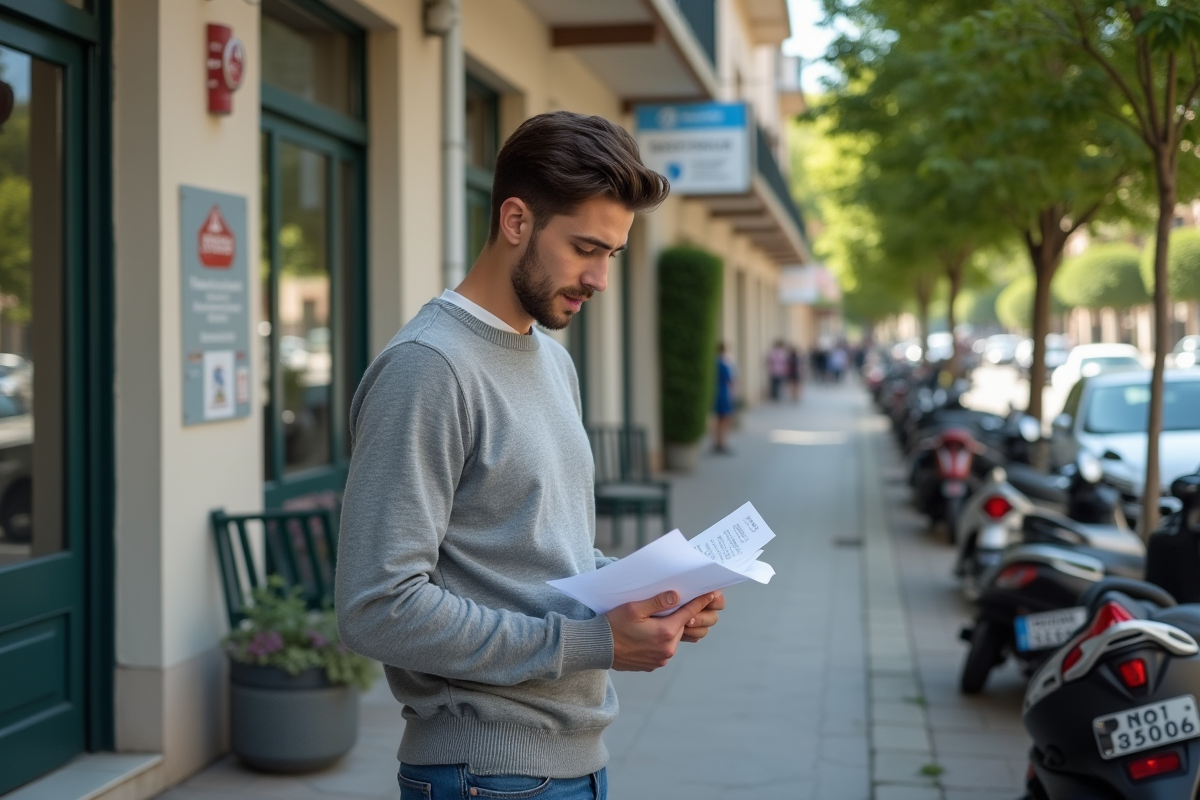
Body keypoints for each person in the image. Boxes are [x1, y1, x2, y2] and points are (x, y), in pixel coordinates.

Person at [335, 111, 725, 800]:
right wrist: (595, 643)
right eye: (585, 249)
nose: (600, 278)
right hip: (484, 772)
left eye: (613, 254)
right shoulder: (427, 369)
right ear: (516, 221)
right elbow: (376, 606)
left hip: (576, 759)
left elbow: (544, 549)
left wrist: (657, 590)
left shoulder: (551, 359)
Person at [713, 342, 736, 453]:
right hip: (724, 393)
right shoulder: (724, 363)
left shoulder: (715, 362)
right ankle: (722, 442)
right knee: (725, 419)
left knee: (719, 419)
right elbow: (731, 379)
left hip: (716, 393)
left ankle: (717, 442)